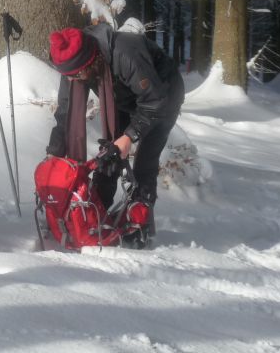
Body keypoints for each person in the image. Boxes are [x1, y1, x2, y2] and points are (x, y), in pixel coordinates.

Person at [45, 23, 184, 247]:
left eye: (77, 75)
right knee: (108, 155)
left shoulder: (125, 53)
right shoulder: (72, 66)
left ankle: (140, 224)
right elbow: (65, 112)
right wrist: (54, 151)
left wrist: (129, 136)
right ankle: (95, 213)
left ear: (91, 62)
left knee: (144, 161)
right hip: (124, 97)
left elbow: (155, 101)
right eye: (68, 76)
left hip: (163, 95)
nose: (72, 81)